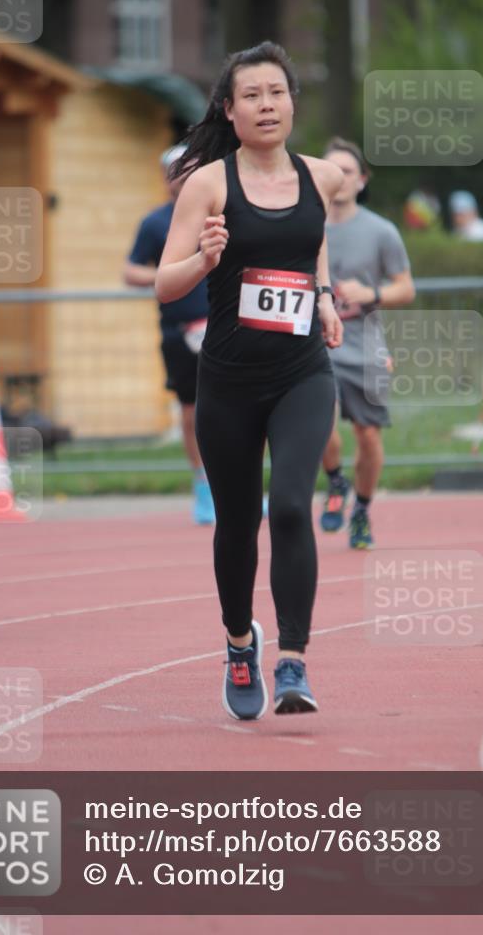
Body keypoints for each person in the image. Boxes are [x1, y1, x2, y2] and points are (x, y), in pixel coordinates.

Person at [156, 41, 344, 719]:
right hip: (229, 381)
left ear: (292, 103)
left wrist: (323, 295)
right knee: (237, 525)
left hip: (301, 372)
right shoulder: (208, 184)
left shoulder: (322, 177)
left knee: (290, 505)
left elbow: (311, 240)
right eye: (252, 96)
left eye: (277, 93)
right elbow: (163, 282)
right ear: (229, 111)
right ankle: (240, 645)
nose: (267, 105)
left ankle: (293, 661)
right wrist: (205, 261)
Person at [319, 138, 415, 548]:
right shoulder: (302, 224)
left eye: (347, 171)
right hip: (315, 344)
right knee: (319, 420)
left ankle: (361, 508)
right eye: (331, 170)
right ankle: (335, 481)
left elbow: (406, 288)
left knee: (368, 436)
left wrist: (370, 294)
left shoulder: (381, 231)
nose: (339, 178)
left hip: (364, 344)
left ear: (362, 180)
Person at [124, 145, 215, 525]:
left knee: (238, 409)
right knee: (192, 412)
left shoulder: (218, 214)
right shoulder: (155, 223)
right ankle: (204, 487)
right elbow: (131, 271)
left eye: (190, 168)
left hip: (223, 327)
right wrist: (169, 273)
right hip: (179, 331)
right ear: (166, 178)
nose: (184, 176)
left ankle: (243, 487)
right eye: (176, 170)